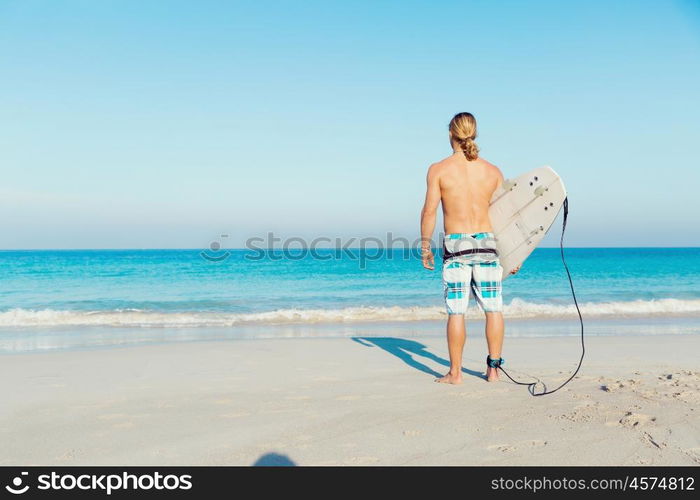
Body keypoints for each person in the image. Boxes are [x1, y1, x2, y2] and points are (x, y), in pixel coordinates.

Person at [420, 112, 518, 384]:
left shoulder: (438, 169)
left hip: (457, 244)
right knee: (494, 309)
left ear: (450, 133)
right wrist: (514, 253)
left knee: (456, 311)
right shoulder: (493, 171)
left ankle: (455, 373)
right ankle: (494, 371)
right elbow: (507, 217)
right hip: (488, 243)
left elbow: (430, 211)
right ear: (474, 134)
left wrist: (425, 246)